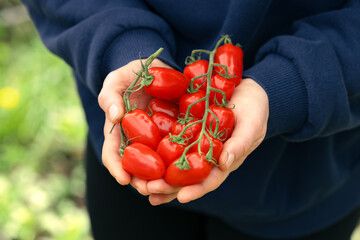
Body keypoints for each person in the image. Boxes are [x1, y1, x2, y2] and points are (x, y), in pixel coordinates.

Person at [21, 0, 360, 239]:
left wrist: (289, 83)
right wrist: (121, 44)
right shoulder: (178, 127)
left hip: (308, 181)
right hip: (126, 185)